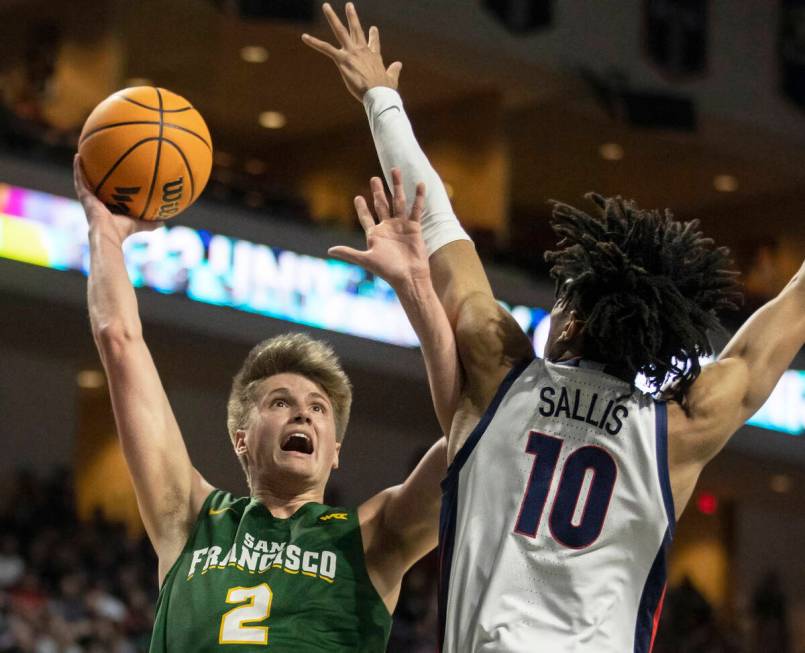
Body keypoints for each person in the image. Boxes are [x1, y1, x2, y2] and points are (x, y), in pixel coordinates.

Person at [305, 4, 805, 651]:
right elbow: (786, 317)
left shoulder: (501, 377)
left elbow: (439, 226)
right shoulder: (675, 430)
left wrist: (380, 97)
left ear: (572, 321)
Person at [74, 152, 461, 651]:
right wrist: (105, 234)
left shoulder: (372, 536)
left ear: (335, 450)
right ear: (241, 438)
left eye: (319, 408)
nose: (303, 412)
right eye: (280, 402)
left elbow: (474, 429)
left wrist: (417, 290)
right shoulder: (190, 518)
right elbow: (119, 341)